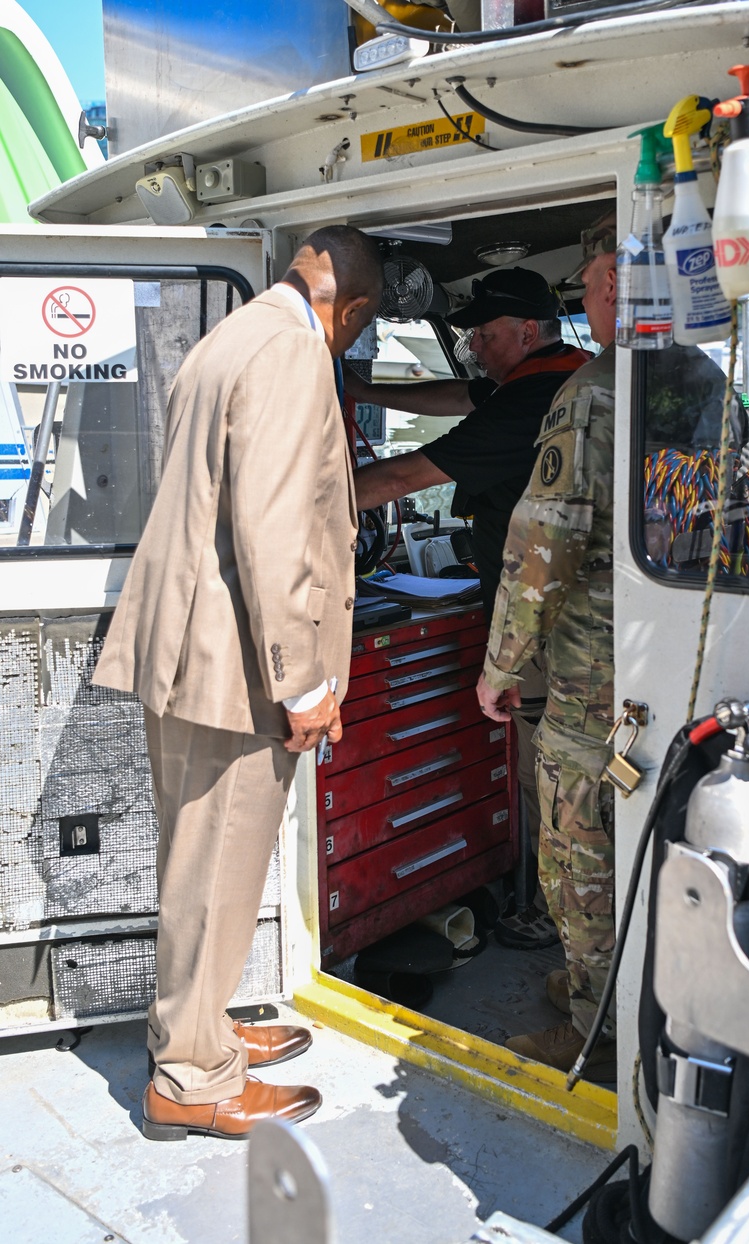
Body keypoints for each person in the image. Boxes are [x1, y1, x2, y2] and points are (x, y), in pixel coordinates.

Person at [93, 226, 383, 1140]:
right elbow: (272, 528)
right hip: (238, 670)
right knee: (218, 868)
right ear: (357, 311)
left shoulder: (222, 340)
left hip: (188, 652)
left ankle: (196, 1028)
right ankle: (191, 1077)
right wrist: (304, 686)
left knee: (197, 860)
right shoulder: (296, 350)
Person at [349, 266, 592, 950]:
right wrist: (364, 389)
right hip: (565, 612)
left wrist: (307, 494)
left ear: (525, 331)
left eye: (483, 335)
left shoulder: (528, 403)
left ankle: (559, 914)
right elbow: (461, 393)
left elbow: (401, 476)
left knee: (545, 776)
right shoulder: (560, 378)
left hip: (545, 629)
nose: (475, 348)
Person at [476, 212, 620, 1079]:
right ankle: (603, 996)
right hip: (664, 668)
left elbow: (546, 546)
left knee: (577, 853)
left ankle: (592, 1027)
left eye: (594, 283)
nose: (594, 301)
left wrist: (500, 665)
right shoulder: (709, 379)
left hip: (588, 680)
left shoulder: (592, 392)